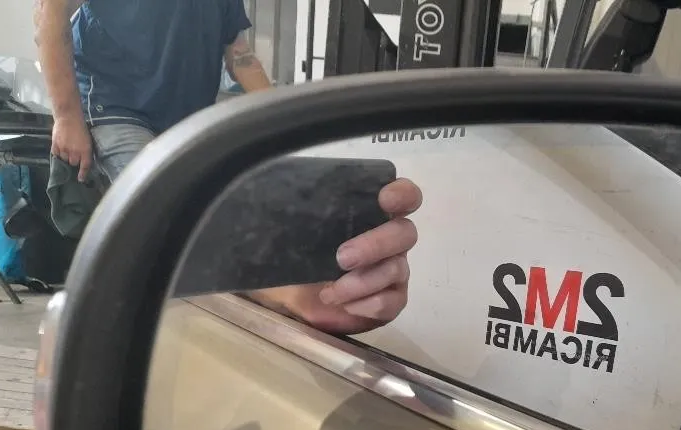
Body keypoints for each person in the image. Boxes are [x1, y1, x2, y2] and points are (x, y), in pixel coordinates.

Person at [34, 0, 419, 335]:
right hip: (114, 109)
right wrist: (66, 116)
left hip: (184, 121)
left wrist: (288, 119)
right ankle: (290, 292)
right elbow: (50, 14)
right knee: (163, 202)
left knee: (225, 198)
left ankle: (288, 283)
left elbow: (240, 55)